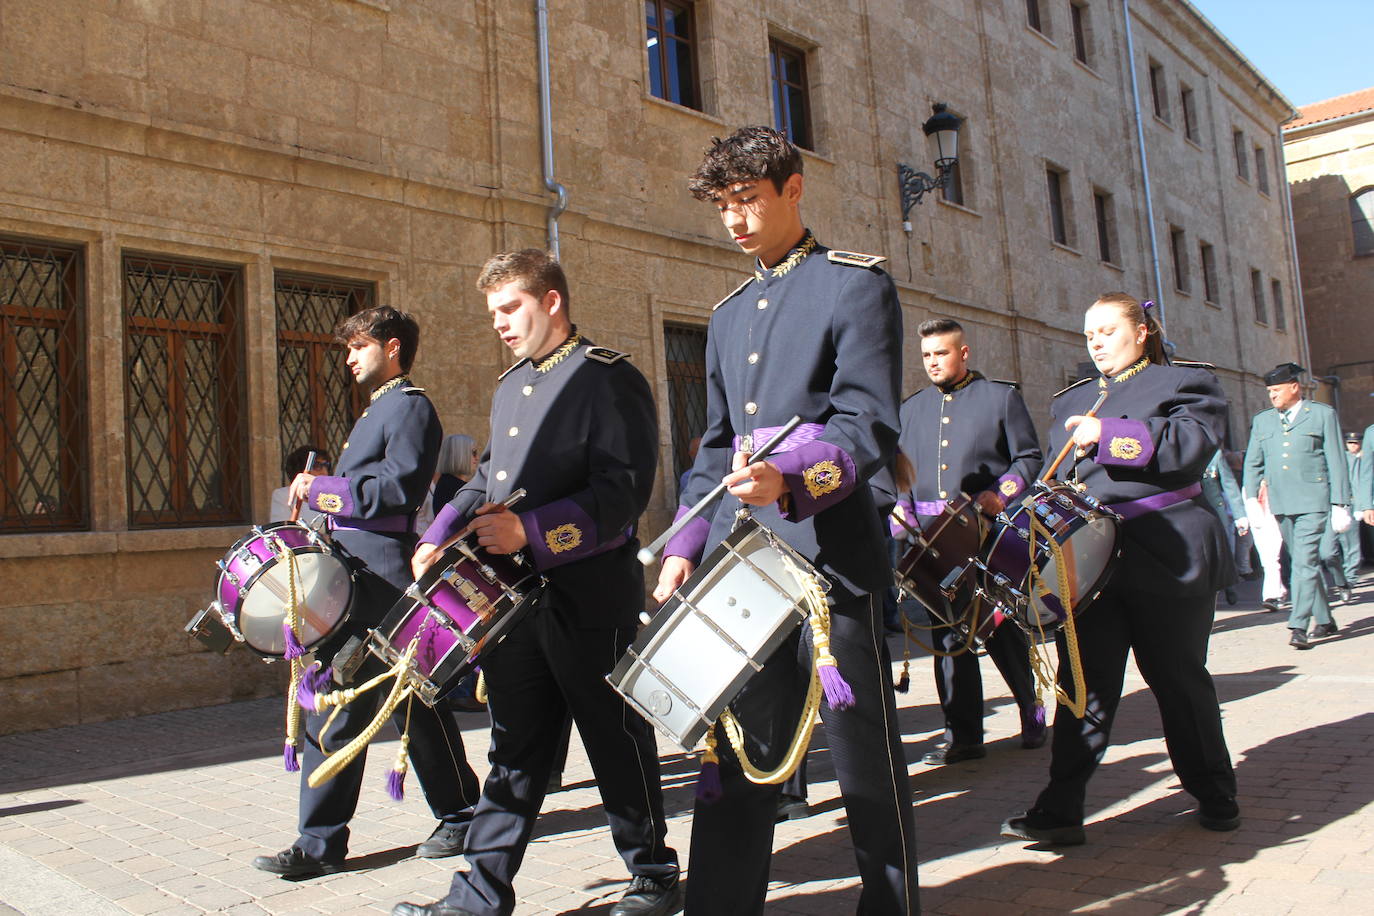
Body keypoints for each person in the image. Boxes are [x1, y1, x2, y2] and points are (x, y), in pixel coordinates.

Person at [655, 126, 918, 915]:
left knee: (862, 754)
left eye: (748, 200)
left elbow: (869, 424)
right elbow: (714, 446)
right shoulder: (728, 314)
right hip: (744, 560)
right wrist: (685, 544)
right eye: (723, 206)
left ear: (793, 189)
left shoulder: (854, 286)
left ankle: (891, 905)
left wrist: (791, 477)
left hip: (832, 555)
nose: (734, 220)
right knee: (737, 746)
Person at [391, 249, 680, 916]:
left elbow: (623, 494)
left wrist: (532, 531)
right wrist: (437, 533)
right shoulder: (511, 385)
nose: (499, 322)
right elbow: (488, 477)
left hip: (590, 594)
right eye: (492, 311)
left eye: (510, 307)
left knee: (614, 738)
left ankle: (653, 873)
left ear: (551, 301)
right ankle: (478, 897)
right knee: (514, 750)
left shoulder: (609, 378)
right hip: (516, 601)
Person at [1001, 292, 1239, 846]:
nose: (1096, 343)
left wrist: (1106, 435)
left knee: (1178, 681)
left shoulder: (1185, 382)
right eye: (1089, 334)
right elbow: (1056, 477)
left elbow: (1190, 447)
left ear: (1142, 331)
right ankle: (1061, 809)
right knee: (1083, 686)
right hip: (1092, 566)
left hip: (1169, 556)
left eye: (1107, 331)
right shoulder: (1072, 399)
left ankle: (1214, 791)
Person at [252, 307, 481, 878]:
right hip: (352, 578)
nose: (349, 359)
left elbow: (396, 492)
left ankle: (457, 814)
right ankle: (325, 841)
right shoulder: (380, 408)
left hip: (382, 580)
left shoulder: (410, 407)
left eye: (359, 346)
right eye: (348, 348)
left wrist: (321, 489)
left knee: (402, 703)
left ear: (392, 347)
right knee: (355, 702)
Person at [892, 318, 1045, 765]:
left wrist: (1002, 493)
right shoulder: (911, 408)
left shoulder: (1001, 398)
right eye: (926, 355)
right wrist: (899, 507)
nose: (933, 362)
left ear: (963, 353)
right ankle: (964, 735)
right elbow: (900, 472)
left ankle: (1030, 708)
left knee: (998, 628)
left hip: (983, 533)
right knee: (946, 636)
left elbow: (1028, 457)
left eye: (941, 353)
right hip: (930, 540)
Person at [1242, 363, 1352, 648]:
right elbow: (1253, 462)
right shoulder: (1264, 421)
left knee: (1304, 562)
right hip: (1281, 503)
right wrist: (1251, 499)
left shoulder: (1321, 414)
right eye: (1269, 391)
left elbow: (1337, 460)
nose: (1272, 396)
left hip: (1314, 501)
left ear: (1294, 387)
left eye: (1277, 390)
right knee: (1304, 564)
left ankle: (1299, 625)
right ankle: (1325, 619)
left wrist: (1341, 502)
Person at [1200, 449, 1248, 606]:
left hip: (1217, 510)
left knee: (1225, 549)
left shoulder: (1214, 454)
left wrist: (1240, 515)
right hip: (1197, 512)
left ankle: (1229, 585)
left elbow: (1229, 484)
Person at [268, 445, 331, 523]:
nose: (324, 472)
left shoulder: (332, 494)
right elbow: (282, 528)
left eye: (326, 465)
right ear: (301, 469)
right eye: (317, 466)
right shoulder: (283, 495)